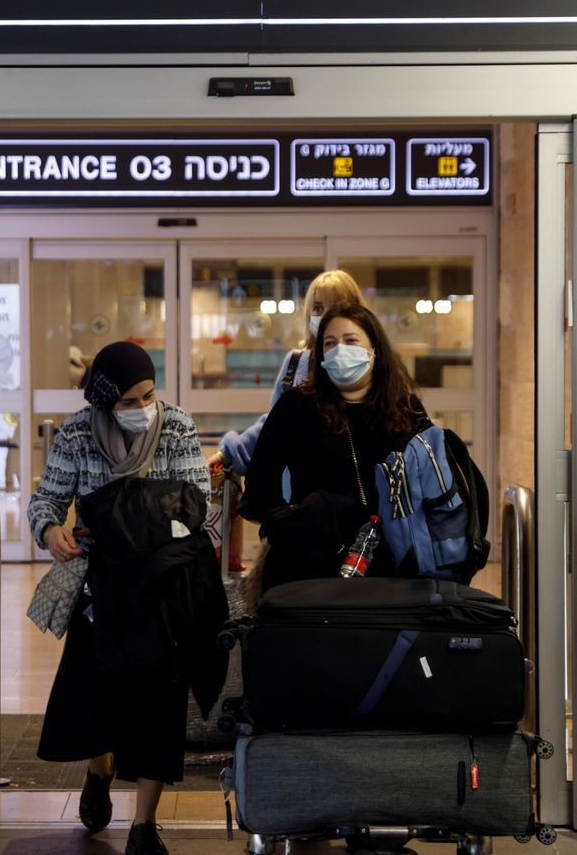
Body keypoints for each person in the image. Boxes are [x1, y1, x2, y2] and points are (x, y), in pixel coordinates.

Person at [27, 341, 217, 855]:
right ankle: (100, 767)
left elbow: (198, 497)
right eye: (129, 401)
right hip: (99, 588)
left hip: (161, 587)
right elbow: (47, 498)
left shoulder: (175, 425)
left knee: (159, 707)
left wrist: (162, 530)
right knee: (93, 699)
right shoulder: (76, 432)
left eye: (148, 396)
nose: (142, 409)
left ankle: (144, 825)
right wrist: (49, 531)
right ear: (104, 400)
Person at [240, 302, 429, 591]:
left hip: (392, 562)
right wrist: (291, 526)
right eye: (330, 343)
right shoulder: (297, 406)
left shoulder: (406, 409)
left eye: (351, 340)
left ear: (374, 348)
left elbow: (431, 479)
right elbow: (259, 485)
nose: (340, 349)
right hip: (312, 561)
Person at [214, 269, 366, 476]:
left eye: (336, 307)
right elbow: (275, 426)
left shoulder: (366, 361)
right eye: (318, 308)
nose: (326, 316)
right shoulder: (297, 363)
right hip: (298, 497)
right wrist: (230, 453)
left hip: (359, 490)